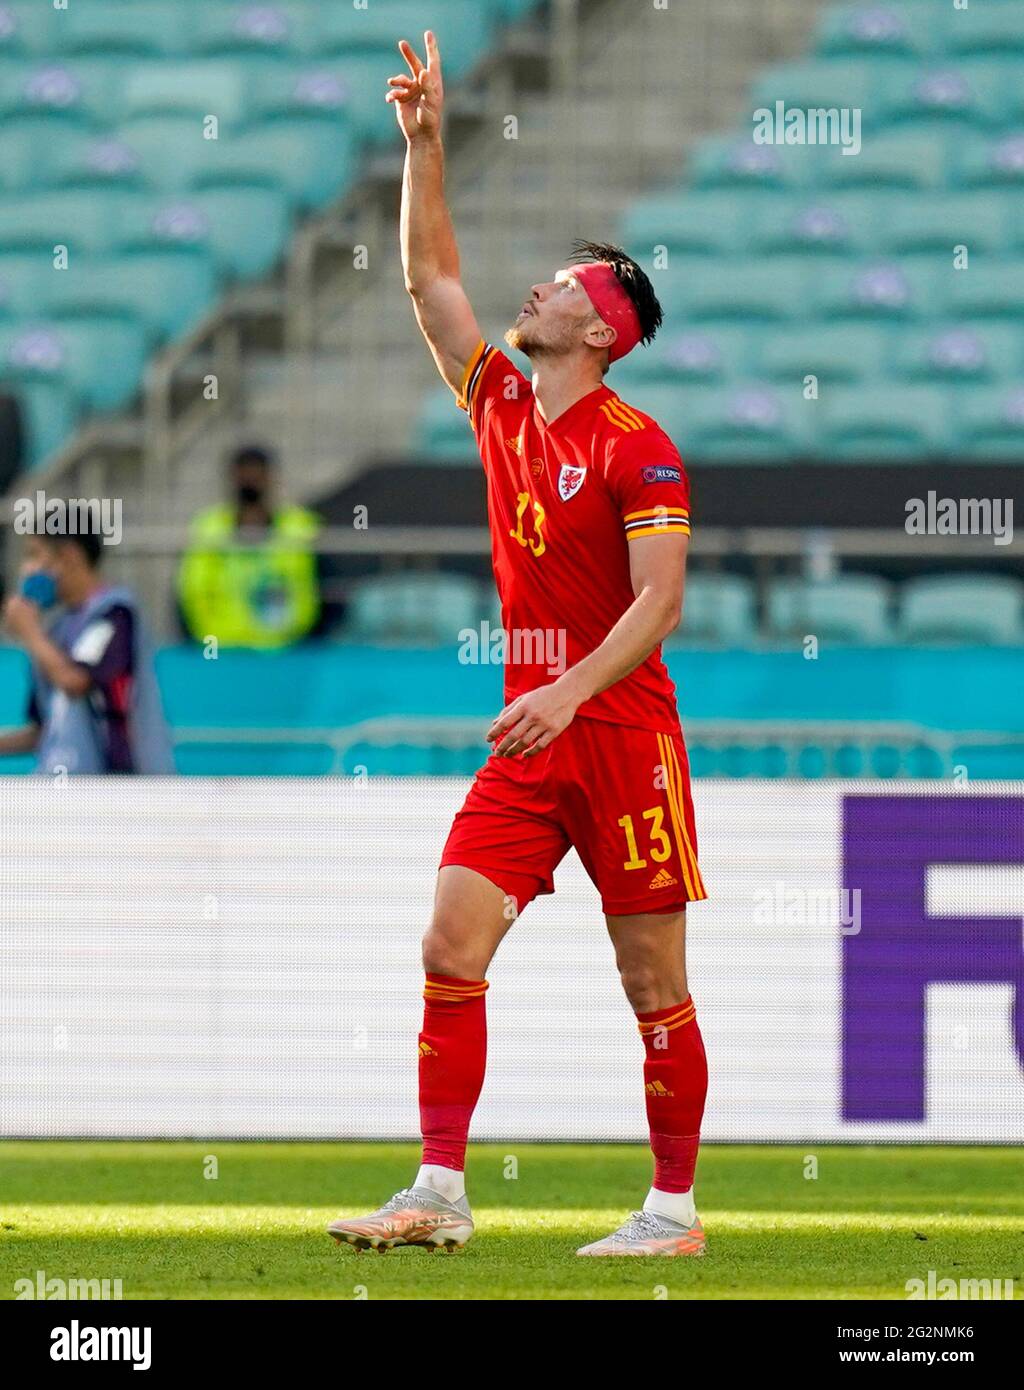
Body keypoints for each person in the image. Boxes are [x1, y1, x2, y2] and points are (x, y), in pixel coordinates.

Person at [327, 33, 708, 1259]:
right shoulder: (496, 400)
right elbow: (427, 282)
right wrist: (424, 147)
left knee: (652, 983)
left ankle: (672, 1213)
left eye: (562, 287)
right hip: (529, 734)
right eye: (544, 279)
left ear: (600, 332)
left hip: (620, 735)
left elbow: (658, 605)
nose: (536, 290)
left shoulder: (639, 444)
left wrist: (569, 688)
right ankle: (438, 1189)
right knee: (449, 940)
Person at [0, 522, 174, 775]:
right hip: (64, 788)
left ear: (69, 555)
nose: (27, 569)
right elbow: (47, 730)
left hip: (118, 791)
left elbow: (75, 682)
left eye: (35, 554)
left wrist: (30, 632)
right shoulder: (56, 631)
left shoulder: (115, 614)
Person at [177, 444, 321, 649]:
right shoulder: (208, 527)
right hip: (224, 648)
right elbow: (193, 592)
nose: (251, 482)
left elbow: (310, 590)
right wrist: (208, 639)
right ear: (232, 478)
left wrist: (296, 638)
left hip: (284, 650)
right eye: (245, 476)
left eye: (256, 476)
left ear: (270, 478)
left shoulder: (298, 525)